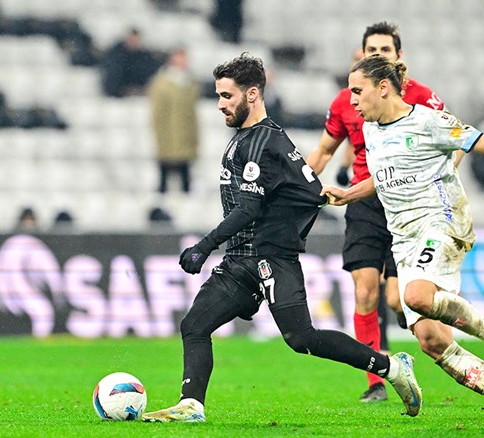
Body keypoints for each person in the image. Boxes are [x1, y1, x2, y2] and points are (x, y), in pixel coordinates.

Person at [142, 53, 422, 423]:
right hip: (242, 260)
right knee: (194, 325)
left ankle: (390, 366)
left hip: (270, 258)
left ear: (253, 94)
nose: (221, 105)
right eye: (218, 96)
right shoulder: (253, 139)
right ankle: (191, 405)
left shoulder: (261, 143)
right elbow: (309, 192)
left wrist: (204, 246)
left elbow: (249, 210)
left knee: (301, 338)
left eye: (227, 96)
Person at [322, 55, 484, 428]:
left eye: (358, 90)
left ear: (384, 87)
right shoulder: (371, 130)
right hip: (404, 240)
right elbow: (386, 177)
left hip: (441, 222)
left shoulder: (427, 121)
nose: (352, 99)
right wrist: (349, 193)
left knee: (415, 296)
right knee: (431, 341)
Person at [306, 21, 446, 403]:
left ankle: (408, 320)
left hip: (406, 202)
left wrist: (438, 180)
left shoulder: (421, 97)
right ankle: (375, 383)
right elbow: (323, 151)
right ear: (362, 54)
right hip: (363, 200)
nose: (378, 56)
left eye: (385, 50)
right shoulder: (347, 100)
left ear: (399, 56)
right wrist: (296, 183)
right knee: (364, 291)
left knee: (395, 300)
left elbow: (456, 142)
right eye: (372, 50)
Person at [148, 47, 200, 193]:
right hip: (168, 137)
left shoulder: (189, 84)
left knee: (186, 179)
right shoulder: (162, 84)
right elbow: (157, 115)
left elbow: (192, 115)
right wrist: (161, 136)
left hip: (186, 138)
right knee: (164, 177)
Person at [100, 28, 161, 97]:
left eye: (136, 40)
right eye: (132, 39)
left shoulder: (145, 57)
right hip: (117, 94)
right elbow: (112, 75)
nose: (134, 42)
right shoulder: (116, 55)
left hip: (138, 93)